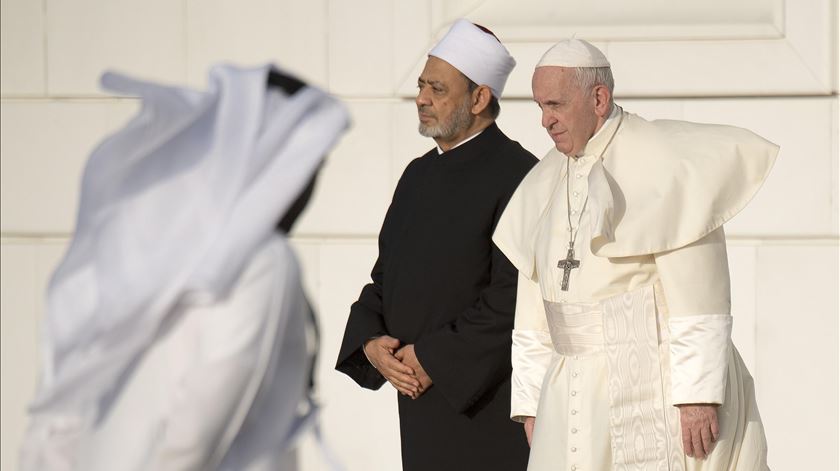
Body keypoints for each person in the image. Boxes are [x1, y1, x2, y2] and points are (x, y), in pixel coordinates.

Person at [20, 64, 350, 471]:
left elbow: (62, 412)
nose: (311, 179)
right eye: (311, 162)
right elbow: (198, 430)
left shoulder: (160, 248)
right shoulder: (263, 263)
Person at [493, 38, 776, 471]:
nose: (545, 121)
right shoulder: (543, 180)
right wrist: (530, 401)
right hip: (569, 387)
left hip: (656, 382)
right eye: (539, 107)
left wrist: (698, 395)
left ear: (599, 99)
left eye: (555, 105)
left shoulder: (664, 162)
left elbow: (700, 292)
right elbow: (533, 307)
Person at [335, 19, 537, 471]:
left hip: (485, 407)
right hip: (418, 404)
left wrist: (433, 359)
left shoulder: (521, 175)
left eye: (438, 89)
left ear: (480, 98)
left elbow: (515, 296)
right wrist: (370, 342)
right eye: (423, 85)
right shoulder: (417, 175)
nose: (422, 99)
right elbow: (384, 279)